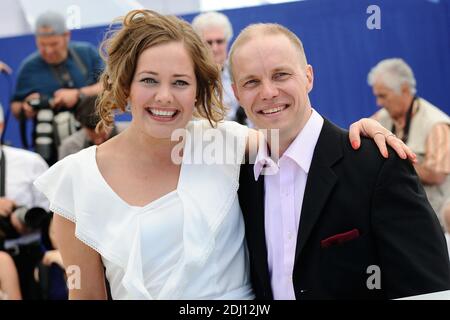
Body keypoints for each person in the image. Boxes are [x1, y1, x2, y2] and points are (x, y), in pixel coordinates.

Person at [34, 10, 414, 300]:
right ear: (125, 85)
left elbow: (307, 142)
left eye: (180, 82)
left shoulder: (225, 143)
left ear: (198, 91)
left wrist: (361, 133)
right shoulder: (78, 180)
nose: (164, 96)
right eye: (149, 80)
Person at [232, 23, 450, 299]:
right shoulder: (238, 178)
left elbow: (429, 291)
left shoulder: (377, 164)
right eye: (251, 82)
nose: (268, 92)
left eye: (281, 75)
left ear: (308, 77)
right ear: (237, 93)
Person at [11, 11, 104, 165]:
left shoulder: (86, 53)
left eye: (54, 44)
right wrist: (26, 106)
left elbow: (110, 86)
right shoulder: (29, 67)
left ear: (66, 36)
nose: (48, 51)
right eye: (42, 45)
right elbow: (15, 107)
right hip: (48, 145)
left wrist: (78, 94)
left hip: (92, 136)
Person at [368, 58, 450, 221]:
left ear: (405, 90)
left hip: (433, 219)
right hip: (398, 214)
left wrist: (394, 161)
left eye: (383, 96)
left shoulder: (436, 124)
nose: (379, 103)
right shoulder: (380, 119)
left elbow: (436, 175)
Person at [0, 105, 50, 300]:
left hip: (27, 259)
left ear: (2, 126)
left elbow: (51, 215)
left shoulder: (31, 163)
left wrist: (26, 223)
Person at [192, 11, 246, 124]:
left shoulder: (241, 73)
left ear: (228, 41)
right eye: (209, 42)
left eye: (219, 41)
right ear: (198, 45)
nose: (215, 48)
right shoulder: (190, 79)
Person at [58, 95, 128, 159]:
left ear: (111, 118)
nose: (98, 142)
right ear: (82, 126)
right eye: (93, 138)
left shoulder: (129, 136)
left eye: (103, 136)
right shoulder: (70, 147)